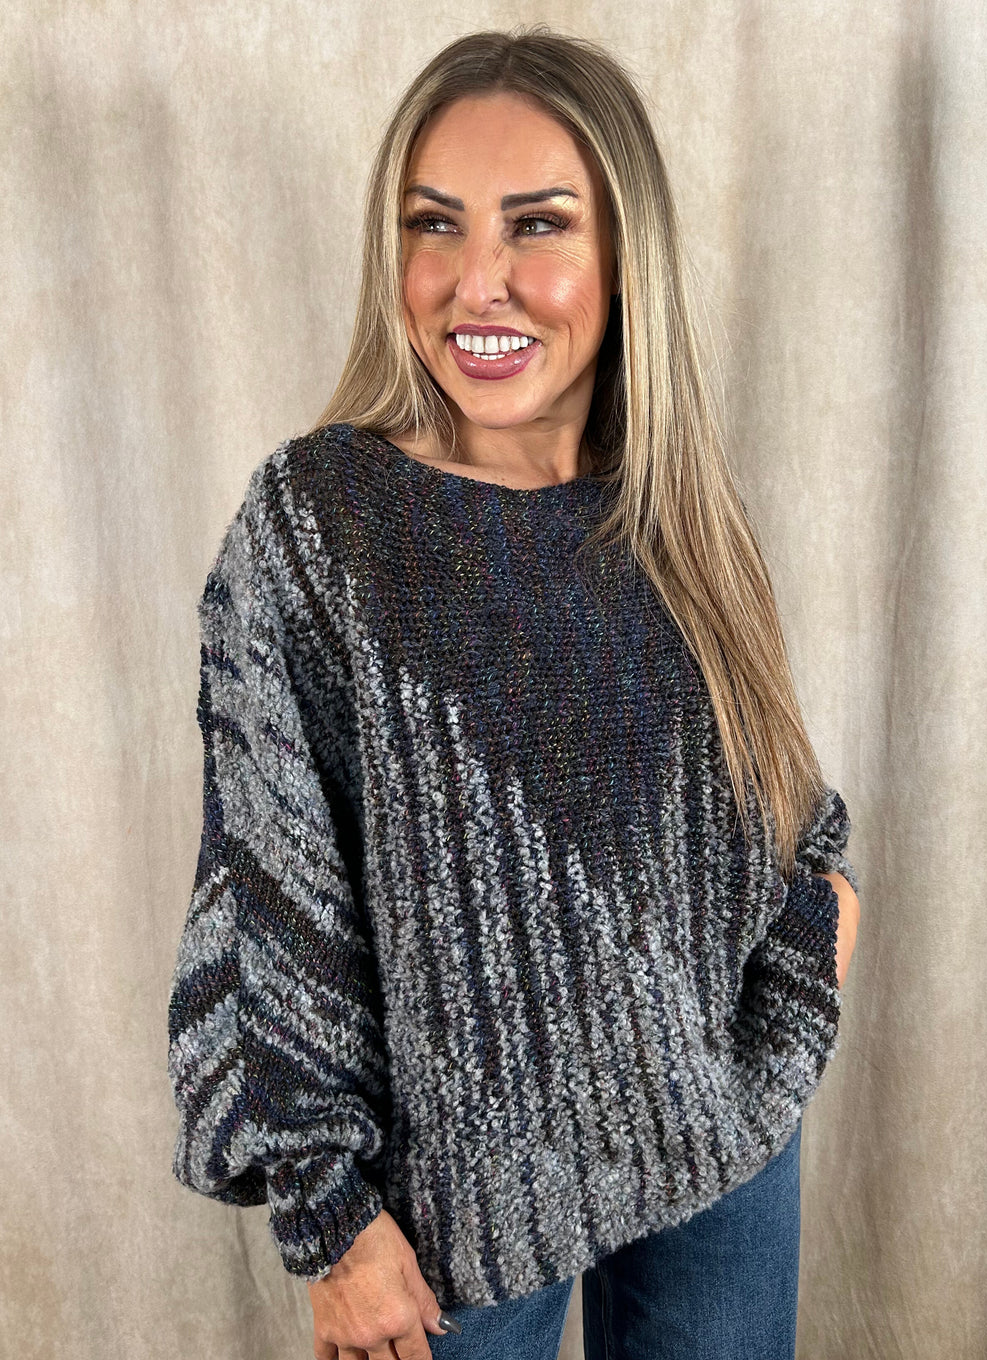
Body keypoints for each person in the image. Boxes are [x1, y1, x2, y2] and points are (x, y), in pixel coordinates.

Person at [167, 25, 861, 1360]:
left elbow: (770, 798)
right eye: (435, 225)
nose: (476, 282)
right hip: (453, 1203)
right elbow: (270, 894)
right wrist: (331, 1221)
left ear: (624, 256)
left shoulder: (671, 512)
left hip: (719, 1133)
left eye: (537, 225)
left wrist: (820, 906)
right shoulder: (322, 524)